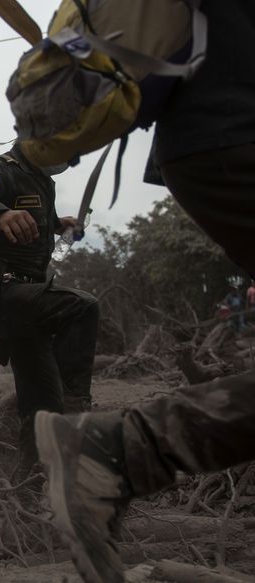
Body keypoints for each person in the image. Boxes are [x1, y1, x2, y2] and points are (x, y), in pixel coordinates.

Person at [34, 3, 255, 582]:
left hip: (216, 133)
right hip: (233, 127)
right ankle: (118, 447)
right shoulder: (4, 174)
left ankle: (117, 447)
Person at [0, 143, 98, 477]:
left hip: (31, 301)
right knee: (83, 306)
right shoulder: (1, 171)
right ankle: (77, 410)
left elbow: (33, 223)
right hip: (4, 295)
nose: (65, 164)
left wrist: (57, 225)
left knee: (41, 405)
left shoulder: (42, 180)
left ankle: (29, 485)